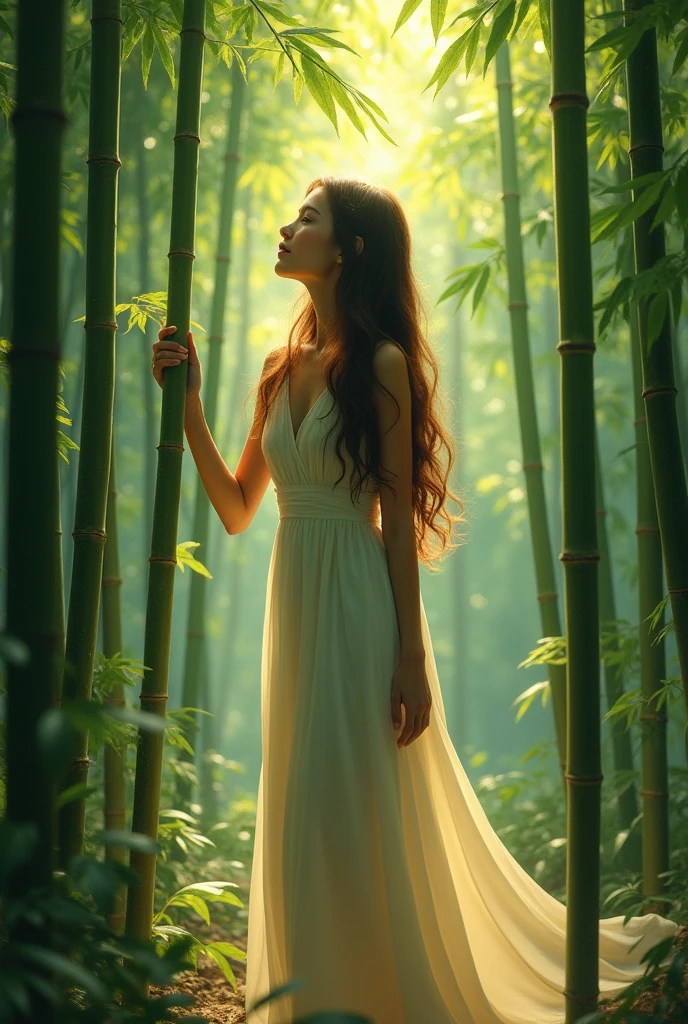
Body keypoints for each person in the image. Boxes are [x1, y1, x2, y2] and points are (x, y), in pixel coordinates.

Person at [151, 176, 678, 1024]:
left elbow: (397, 522)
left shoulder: (384, 365)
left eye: (308, 219)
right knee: (302, 806)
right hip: (293, 600)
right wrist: (188, 411)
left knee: (347, 800)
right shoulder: (277, 368)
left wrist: (410, 657)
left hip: (360, 606)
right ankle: (317, 997)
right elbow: (239, 509)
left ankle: (375, 996)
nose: (287, 230)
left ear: (350, 248)